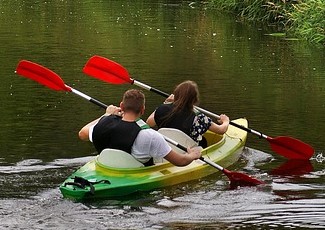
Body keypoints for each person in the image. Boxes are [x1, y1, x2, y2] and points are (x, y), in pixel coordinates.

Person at [78, 89, 201, 167]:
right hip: (134, 174)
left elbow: (82, 134)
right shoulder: (150, 136)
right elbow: (180, 161)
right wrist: (192, 155)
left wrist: (106, 115)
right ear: (143, 110)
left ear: (121, 106)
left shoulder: (102, 126)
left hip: (107, 168)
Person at [146, 80, 230, 147]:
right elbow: (221, 130)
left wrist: (166, 103)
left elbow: (149, 122)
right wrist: (226, 121)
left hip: (167, 151)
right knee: (203, 141)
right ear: (195, 99)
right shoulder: (199, 117)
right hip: (188, 153)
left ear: (176, 95)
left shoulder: (161, 109)